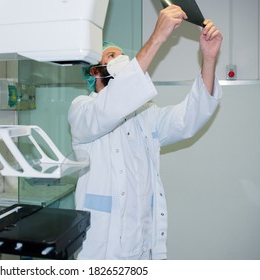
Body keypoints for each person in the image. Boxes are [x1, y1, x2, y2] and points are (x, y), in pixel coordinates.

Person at [68, 5, 223, 260]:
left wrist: (209, 59)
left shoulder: (145, 115)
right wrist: (158, 37)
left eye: (120, 55)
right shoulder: (81, 110)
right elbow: (110, 108)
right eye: (110, 56)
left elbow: (189, 119)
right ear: (94, 71)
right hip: (104, 247)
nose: (119, 59)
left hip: (143, 243)